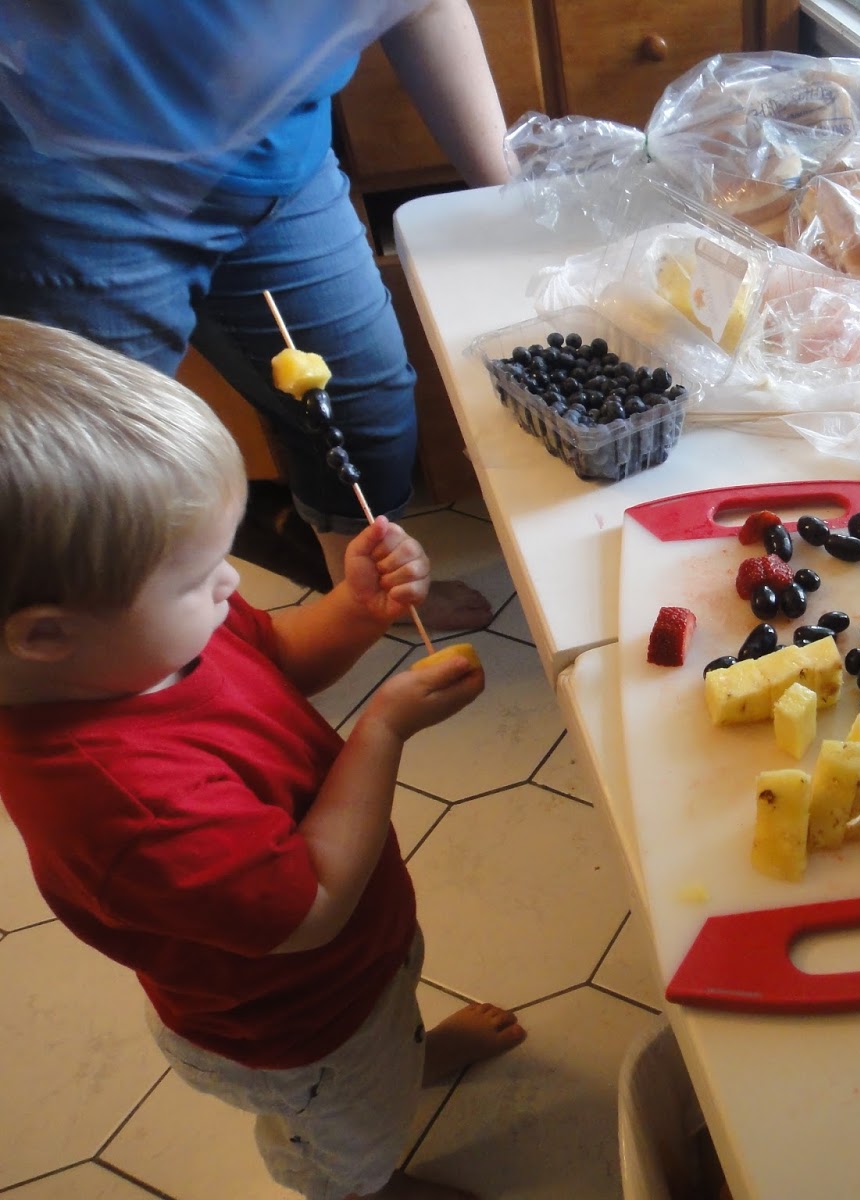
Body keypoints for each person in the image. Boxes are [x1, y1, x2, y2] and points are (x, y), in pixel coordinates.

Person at [0, 317, 523, 1200]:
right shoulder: (120, 806)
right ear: (47, 635)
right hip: (299, 1031)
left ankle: (411, 1057)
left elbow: (275, 655)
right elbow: (311, 904)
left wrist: (356, 609)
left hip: (358, 974)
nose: (234, 583)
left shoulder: (136, 650)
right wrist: (383, 730)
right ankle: (362, 1185)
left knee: (387, 1038)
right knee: (343, 1135)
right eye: (197, 575)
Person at [0, 0, 509, 631]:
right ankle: (146, 665)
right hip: (63, 182)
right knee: (98, 482)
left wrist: (508, 197)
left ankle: (354, 597)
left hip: (274, 167)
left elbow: (424, 5)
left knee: (361, 404)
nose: (230, 584)